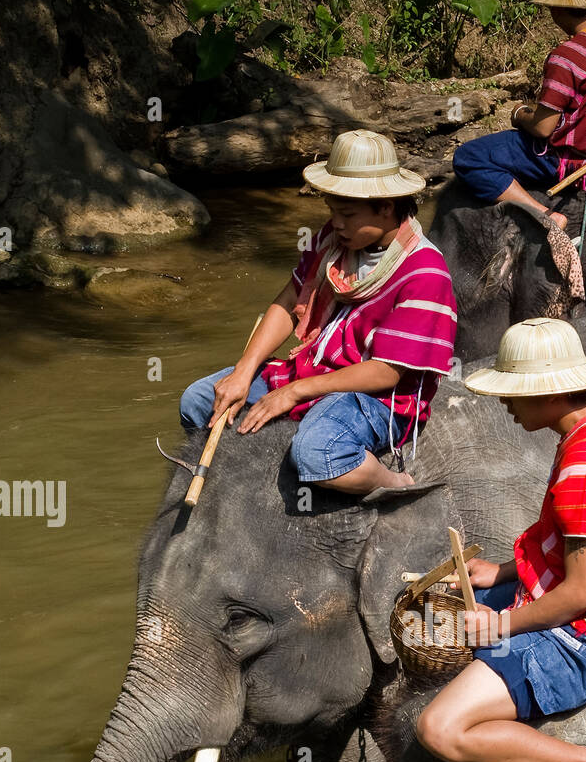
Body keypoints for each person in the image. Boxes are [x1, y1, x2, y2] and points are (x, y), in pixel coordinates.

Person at [415, 317, 586, 762]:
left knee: (438, 727)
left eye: (513, 393)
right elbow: (579, 547)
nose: (506, 405)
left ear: (550, 394)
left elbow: (581, 593)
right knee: (436, 617)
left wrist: (500, 625)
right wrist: (504, 572)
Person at [179, 130, 458, 494]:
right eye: (332, 211)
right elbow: (292, 298)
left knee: (317, 453)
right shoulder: (333, 238)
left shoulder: (425, 273)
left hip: (376, 398)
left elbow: (387, 372)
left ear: (386, 207)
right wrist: (244, 372)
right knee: (198, 401)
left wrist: (294, 392)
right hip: (313, 365)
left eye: (347, 214)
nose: (336, 222)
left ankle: (394, 482)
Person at [452, 0, 586, 232]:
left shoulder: (567, 55)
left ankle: (545, 214)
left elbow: (543, 128)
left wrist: (520, 115)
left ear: (558, 9)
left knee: (470, 157)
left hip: (577, 159)